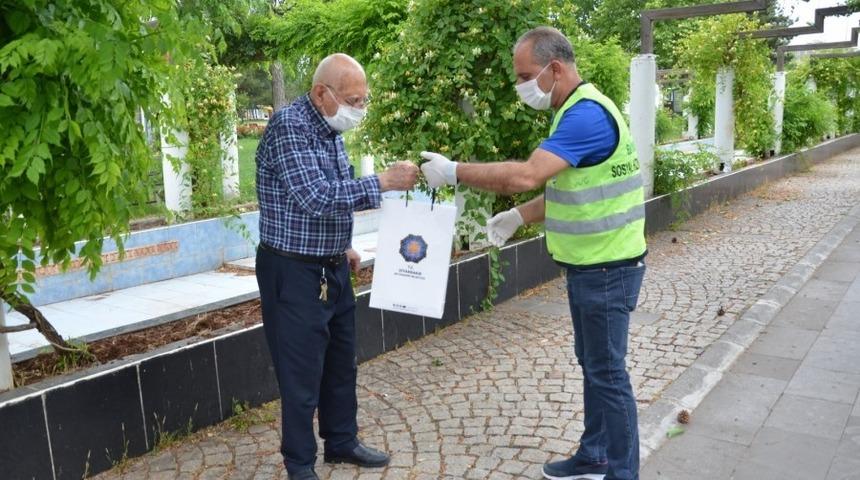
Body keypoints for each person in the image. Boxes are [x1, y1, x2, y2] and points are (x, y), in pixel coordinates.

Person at [420, 27, 647, 480]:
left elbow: (527, 175)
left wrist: (454, 171)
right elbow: (572, 191)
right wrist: (519, 218)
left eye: (526, 75)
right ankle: (594, 455)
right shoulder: (581, 110)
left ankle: (623, 472)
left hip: (605, 268)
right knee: (597, 367)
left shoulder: (584, 116)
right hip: (595, 265)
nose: (522, 85)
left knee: (607, 374)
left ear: (554, 68)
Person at [255, 53, 418, 480]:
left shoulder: (329, 127)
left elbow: (338, 188)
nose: (358, 109)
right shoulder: (289, 126)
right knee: (301, 372)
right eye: (352, 100)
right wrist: (383, 182)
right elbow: (317, 197)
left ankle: (341, 441)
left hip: (331, 266)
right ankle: (299, 463)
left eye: (363, 100)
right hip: (292, 271)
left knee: (341, 361)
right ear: (320, 93)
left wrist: (343, 244)